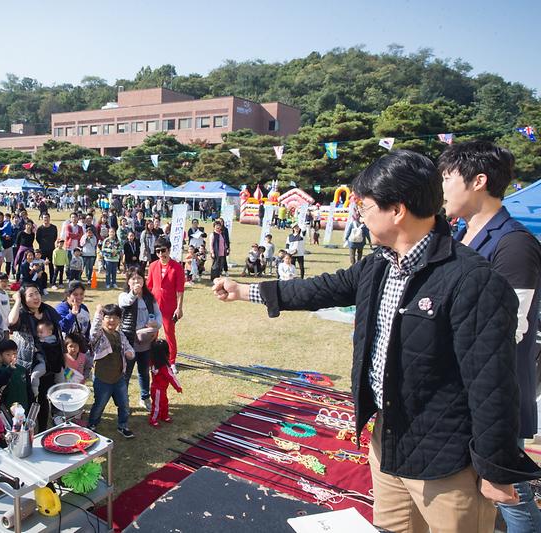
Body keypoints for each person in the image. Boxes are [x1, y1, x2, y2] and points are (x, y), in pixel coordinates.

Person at [212, 149, 541, 533]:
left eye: (365, 207)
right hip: (388, 438)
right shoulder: (378, 265)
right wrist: (246, 291)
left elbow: (491, 384)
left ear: (397, 209)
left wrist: (494, 467)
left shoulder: (471, 279)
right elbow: (321, 289)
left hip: (447, 455)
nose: (360, 217)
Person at [439, 140, 541, 531]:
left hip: (497, 393)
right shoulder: (461, 236)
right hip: (462, 388)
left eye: (447, 178)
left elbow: (511, 328)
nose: (442, 187)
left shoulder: (514, 243)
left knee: (510, 495)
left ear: (478, 181)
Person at [7, 285, 61, 431]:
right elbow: (11, 322)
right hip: (28, 363)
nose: (36, 297)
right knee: (29, 399)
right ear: (24, 299)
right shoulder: (22, 315)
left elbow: (59, 333)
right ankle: (26, 431)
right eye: (30, 295)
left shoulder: (48, 311)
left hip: (48, 362)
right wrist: (17, 300)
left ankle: (42, 429)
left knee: (43, 398)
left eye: (37, 293)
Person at [86, 304, 135, 438]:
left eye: (115, 317)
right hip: (102, 379)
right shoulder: (99, 335)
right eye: (108, 317)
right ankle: (92, 425)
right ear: (103, 319)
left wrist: (130, 353)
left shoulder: (120, 335)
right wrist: (97, 313)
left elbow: (128, 347)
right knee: (99, 405)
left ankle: (123, 426)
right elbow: (93, 332)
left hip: (119, 378)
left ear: (120, 320)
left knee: (124, 404)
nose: (111, 320)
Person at [119, 267, 162, 411]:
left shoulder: (149, 297)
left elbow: (158, 314)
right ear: (128, 281)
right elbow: (125, 303)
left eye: (139, 278)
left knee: (144, 371)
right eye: (133, 279)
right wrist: (133, 293)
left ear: (144, 280)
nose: (136, 281)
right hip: (129, 341)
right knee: (126, 374)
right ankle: (124, 402)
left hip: (146, 341)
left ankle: (145, 397)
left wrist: (156, 323)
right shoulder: (124, 295)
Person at [146, 237, 184, 367]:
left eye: (163, 250)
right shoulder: (152, 266)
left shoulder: (177, 267)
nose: (161, 254)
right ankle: (152, 359)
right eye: (158, 251)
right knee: (152, 334)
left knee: (169, 334)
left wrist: (179, 308)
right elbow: (149, 287)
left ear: (169, 249)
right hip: (154, 306)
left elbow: (180, 290)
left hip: (169, 307)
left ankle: (171, 362)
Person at [148, 339, 182, 427]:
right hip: (158, 389)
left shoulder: (152, 361)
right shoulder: (163, 366)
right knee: (157, 406)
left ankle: (164, 416)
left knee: (164, 402)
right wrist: (178, 387)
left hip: (158, 388)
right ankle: (153, 419)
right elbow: (171, 377)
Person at [0, 339, 31, 416]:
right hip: (7, 412)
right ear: (0, 356)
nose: (12, 357)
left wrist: (31, 404)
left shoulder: (22, 370)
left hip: (24, 410)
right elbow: (0, 382)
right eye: (8, 354)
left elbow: (29, 390)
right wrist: (10, 369)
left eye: (14, 353)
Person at [36, 213, 58, 283]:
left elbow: (55, 237)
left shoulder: (54, 227)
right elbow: (37, 238)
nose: (46, 219)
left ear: (49, 218)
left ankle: (52, 280)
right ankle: (43, 280)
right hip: (42, 249)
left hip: (51, 248)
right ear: (42, 219)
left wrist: (50, 243)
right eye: (44, 218)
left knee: (51, 265)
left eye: (47, 217)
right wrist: (43, 244)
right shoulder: (40, 228)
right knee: (42, 265)